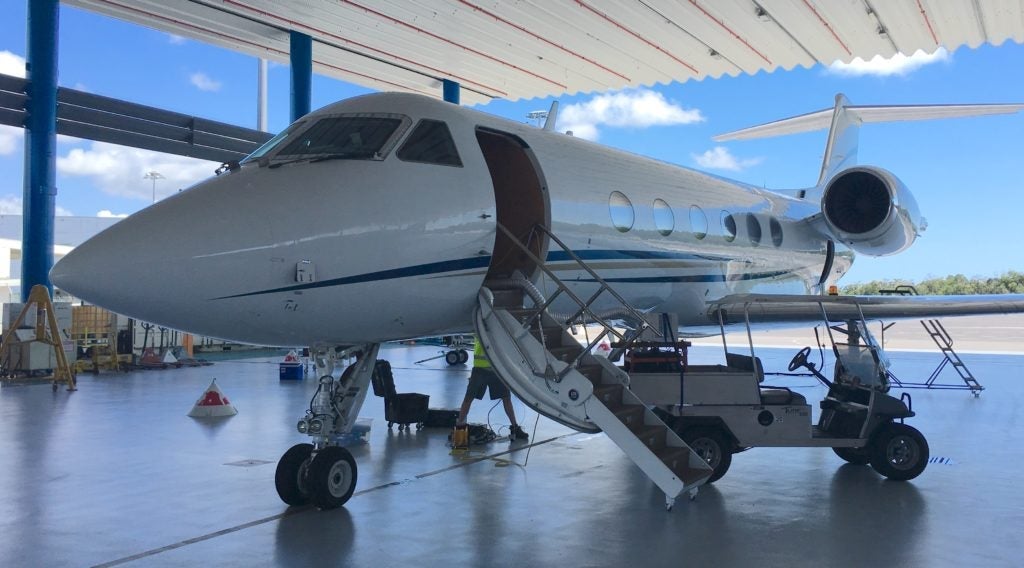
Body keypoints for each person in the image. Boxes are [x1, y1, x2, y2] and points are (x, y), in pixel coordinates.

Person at [457, 338, 528, 441]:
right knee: (468, 398)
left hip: (496, 369)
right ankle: (460, 428)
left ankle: (515, 428)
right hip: (479, 369)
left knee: (506, 398)